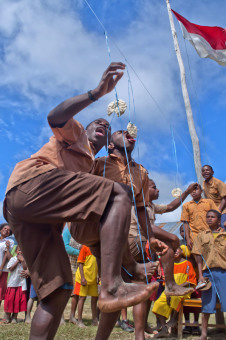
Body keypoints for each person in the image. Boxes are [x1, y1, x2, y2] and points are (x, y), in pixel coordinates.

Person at [3, 62, 159, 340]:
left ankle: (115, 282)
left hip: (36, 217)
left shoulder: (92, 166)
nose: (103, 124)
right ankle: (111, 286)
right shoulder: (75, 137)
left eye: (108, 127)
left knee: (58, 290)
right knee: (117, 193)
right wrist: (96, 93)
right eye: (97, 122)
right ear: (84, 129)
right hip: (31, 185)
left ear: (110, 141)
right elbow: (55, 116)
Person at [71, 130, 193, 340]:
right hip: (97, 231)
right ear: (110, 145)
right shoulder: (99, 164)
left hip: (127, 237)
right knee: (120, 286)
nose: (127, 132)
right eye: (120, 132)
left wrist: (151, 237)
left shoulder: (141, 173)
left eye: (129, 133)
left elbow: (143, 209)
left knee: (126, 287)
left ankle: (133, 333)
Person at [192, 210, 226, 340]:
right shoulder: (201, 235)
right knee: (207, 305)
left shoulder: (224, 235)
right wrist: (200, 275)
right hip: (207, 274)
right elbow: (198, 256)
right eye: (208, 217)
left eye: (213, 217)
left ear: (219, 220)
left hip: (224, 273)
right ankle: (204, 334)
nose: (210, 219)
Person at [152, 246, 197, 338]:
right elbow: (167, 281)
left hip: (184, 290)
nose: (176, 251)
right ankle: (164, 329)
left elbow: (191, 280)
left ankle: (174, 319)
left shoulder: (187, 264)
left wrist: (177, 288)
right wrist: (169, 290)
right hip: (171, 289)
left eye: (178, 249)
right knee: (158, 303)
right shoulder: (170, 264)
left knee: (176, 297)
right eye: (174, 250)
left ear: (181, 251)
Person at [180, 184, 219, 250]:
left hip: (209, 234)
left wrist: (218, 228)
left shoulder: (209, 202)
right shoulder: (186, 205)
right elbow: (185, 223)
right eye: (191, 190)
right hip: (194, 236)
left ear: (201, 191)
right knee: (198, 257)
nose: (193, 191)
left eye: (196, 189)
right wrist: (188, 239)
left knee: (212, 256)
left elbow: (217, 216)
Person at [73, 245, 98, 327]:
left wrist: (99, 276)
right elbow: (80, 263)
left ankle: (95, 320)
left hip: (93, 278)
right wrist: (83, 278)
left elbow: (98, 262)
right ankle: (79, 320)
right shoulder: (85, 247)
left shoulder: (97, 247)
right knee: (82, 298)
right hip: (83, 278)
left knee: (95, 298)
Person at [62, 225, 81, 325]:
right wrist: (80, 252)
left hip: (79, 267)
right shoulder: (67, 232)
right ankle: (61, 317)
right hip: (68, 266)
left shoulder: (81, 233)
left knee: (76, 293)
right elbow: (66, 247)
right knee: (65, 292)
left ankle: (72, 316)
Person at [4, 246, 27, 323]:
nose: (21, 252)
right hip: (13, 283)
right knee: (10, 300)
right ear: (16, 252)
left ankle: (14, 317)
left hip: (21, 283)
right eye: (19, 250)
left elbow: (25, 268)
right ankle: (7, 317)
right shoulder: (12, 259)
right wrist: (17, 260)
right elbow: (10, 269)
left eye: (22, 250)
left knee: (17, 300)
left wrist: (22, 261)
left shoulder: (25, 259)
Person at [0, 223, 14, 307]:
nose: (6, 230)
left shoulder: (9, 242)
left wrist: (1, 269)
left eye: (8, 230)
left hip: (2, 270)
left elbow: (7, 256)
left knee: (0, 291)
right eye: (5, 228)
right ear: (0, 229)